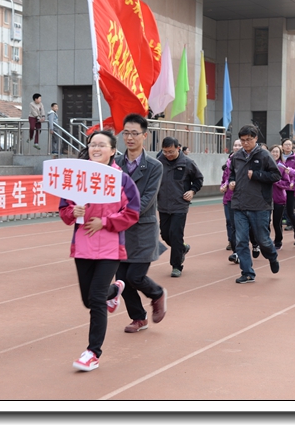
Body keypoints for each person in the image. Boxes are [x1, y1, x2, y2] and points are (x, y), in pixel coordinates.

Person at [59, 130, 141, 371]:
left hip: (110, 247)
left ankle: (92, 352)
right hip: (83, 246)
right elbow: (64, 209)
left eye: (102, 145)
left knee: (95, 300)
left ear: (113, 150)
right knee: (88, 299)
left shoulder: (122, 179)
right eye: (93, 144)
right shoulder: (75, 176)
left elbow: (132, 212)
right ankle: (115, 290)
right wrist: (72, 212)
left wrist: (104, 222)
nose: (96, 148)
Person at [112, 114, 168, 333]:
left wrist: (121, 212)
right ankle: (139, 318)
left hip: (142, 227)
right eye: (126, 133)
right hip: (120, 229)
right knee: (122, 281)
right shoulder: (114, 163)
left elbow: (147, 199)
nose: (130, 137)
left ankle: (157, 294)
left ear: (145, 135)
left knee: (135, 276)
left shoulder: (154, 166)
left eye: (135, 133)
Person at [228, 125, 281, 283]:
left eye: (248, 140)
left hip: (259, 205)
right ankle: (247, 272)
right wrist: (231, 181)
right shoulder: (236, 157)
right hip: (239, 204)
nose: (245, 143)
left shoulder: (264, 155)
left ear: (256, 138)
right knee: (241, 241)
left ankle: (272, 255)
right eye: (242, 140)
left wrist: (257, 175)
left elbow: (276, 175)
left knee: (262, 239)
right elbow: (231, 173)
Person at [158, 136, 204, 277]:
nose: (168, 155)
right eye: (165, 152)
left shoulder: (187, 163)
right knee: (165, 234)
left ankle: (176, 266)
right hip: (163, 205)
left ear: (178, 148)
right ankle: (182, 248)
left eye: (171, 151)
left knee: (176, 234)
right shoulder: (159, 162)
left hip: (180, 205)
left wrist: (192, 190)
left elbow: (198, 179)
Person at [221, 139, 243, 262]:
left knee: (239, 225)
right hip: (228, 197)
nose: (237, 147)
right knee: (230, 222)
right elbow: (225, 178)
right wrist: (223, 186)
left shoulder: (247, 161)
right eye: (235, 145)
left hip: (242, 198)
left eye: (239, 145)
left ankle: (249, 245)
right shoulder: (228, 162)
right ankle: (235, 249)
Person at [279, 138, 295, 246]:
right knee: (277, 214)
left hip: (290, 189)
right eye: (286, 144)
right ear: (282, 146)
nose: (288, 146)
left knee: (290, 212)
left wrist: (292, 181)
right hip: (279, 188)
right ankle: (277, 239)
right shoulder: (278, 158)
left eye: (290, 145)